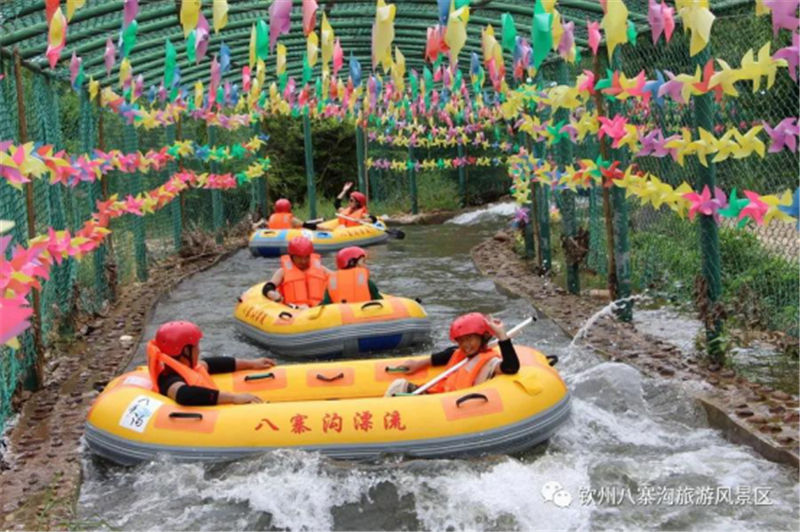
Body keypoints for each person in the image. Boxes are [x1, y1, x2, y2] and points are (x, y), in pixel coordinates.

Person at [385, 313, 519, 396]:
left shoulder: (489, 362)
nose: (465, 345)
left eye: (470, 339)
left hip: (453, 405)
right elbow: (447, 354)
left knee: (397, 387)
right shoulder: (460, 353)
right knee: (399, 385)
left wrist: (502, 335)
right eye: (461, 340)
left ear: (482, 337)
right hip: (439, 397)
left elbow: (511, 367)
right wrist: (419, 363)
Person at [147, 320, 275, 405]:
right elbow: (184, 394)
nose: (199, 350)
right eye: (196, 346)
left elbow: (214, 364)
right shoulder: (168, 380)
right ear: (185, 351)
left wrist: (251, 364)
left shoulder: (188, 368)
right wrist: (233, 398)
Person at [262, 236, 332, 309]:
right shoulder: (282, 272)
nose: (303, 261)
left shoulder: (322, 269)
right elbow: (268, 287)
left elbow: (337, 278)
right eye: (299, 257)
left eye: (307, 257)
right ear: (292, 257)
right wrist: (273, 295)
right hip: (294, 310)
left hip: (319, 309)